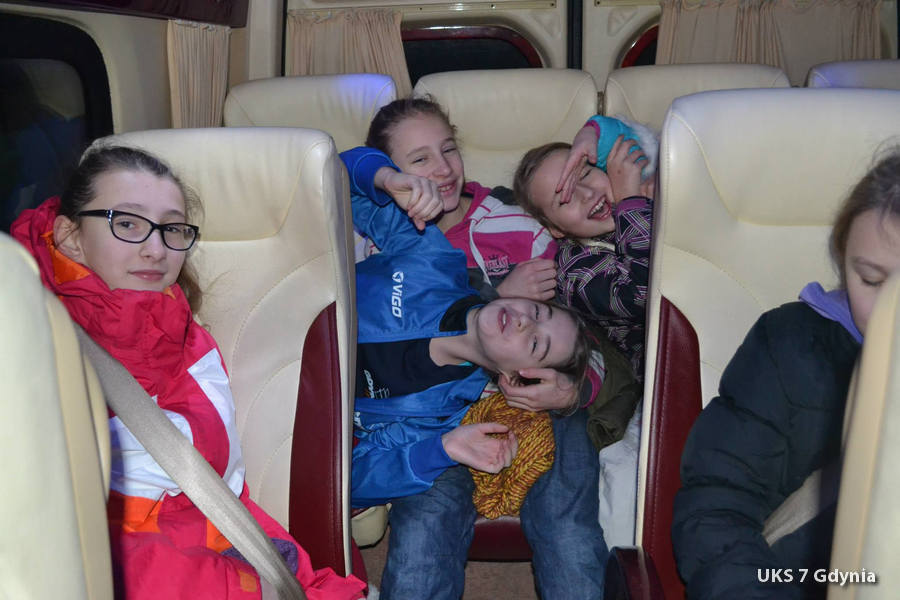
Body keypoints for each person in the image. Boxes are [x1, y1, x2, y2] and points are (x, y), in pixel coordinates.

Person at [11, 146, 366, 600]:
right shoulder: (26, 340)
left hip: (220, 544)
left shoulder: (186, 336)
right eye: (128, 223)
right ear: (71, 236)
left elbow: (214, 493)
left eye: (171, 228)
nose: (156, 249)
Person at [345, 99, 609, 599]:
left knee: (563, 519)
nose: (442, 170)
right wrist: (384, 181)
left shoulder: (517, 228)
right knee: (427, 516)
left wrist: (573, 389)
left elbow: (583, 338)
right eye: (419, 160)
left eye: (448, 150)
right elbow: (339, 175)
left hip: (476, 402)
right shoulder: (420, 249)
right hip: (429, 388)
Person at [671, 148, 900, 598]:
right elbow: (716, 507)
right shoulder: (791, 347)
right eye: (872, 282)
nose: (890, 310)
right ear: (843, 261)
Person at [513, 116, 656, 378]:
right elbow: (644, 296)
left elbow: (637, 141)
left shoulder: (643, 194)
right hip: (669, 357)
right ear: (555, 229)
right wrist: (631, 202)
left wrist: (592, 131)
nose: (587, 193)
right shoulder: (574, 273)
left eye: (586, 174)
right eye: (563, 199)